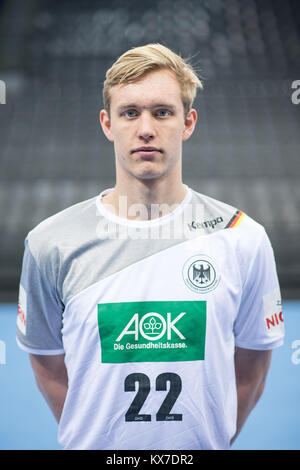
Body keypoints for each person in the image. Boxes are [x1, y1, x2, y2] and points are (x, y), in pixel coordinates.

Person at [16, 43, 284, 450]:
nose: (145, 129)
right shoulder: (49, 243)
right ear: (107, 124)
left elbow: (252, 368)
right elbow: (49, 366)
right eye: (129, 113)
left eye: (162, 112)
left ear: (188, 122)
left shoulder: (242, 237)